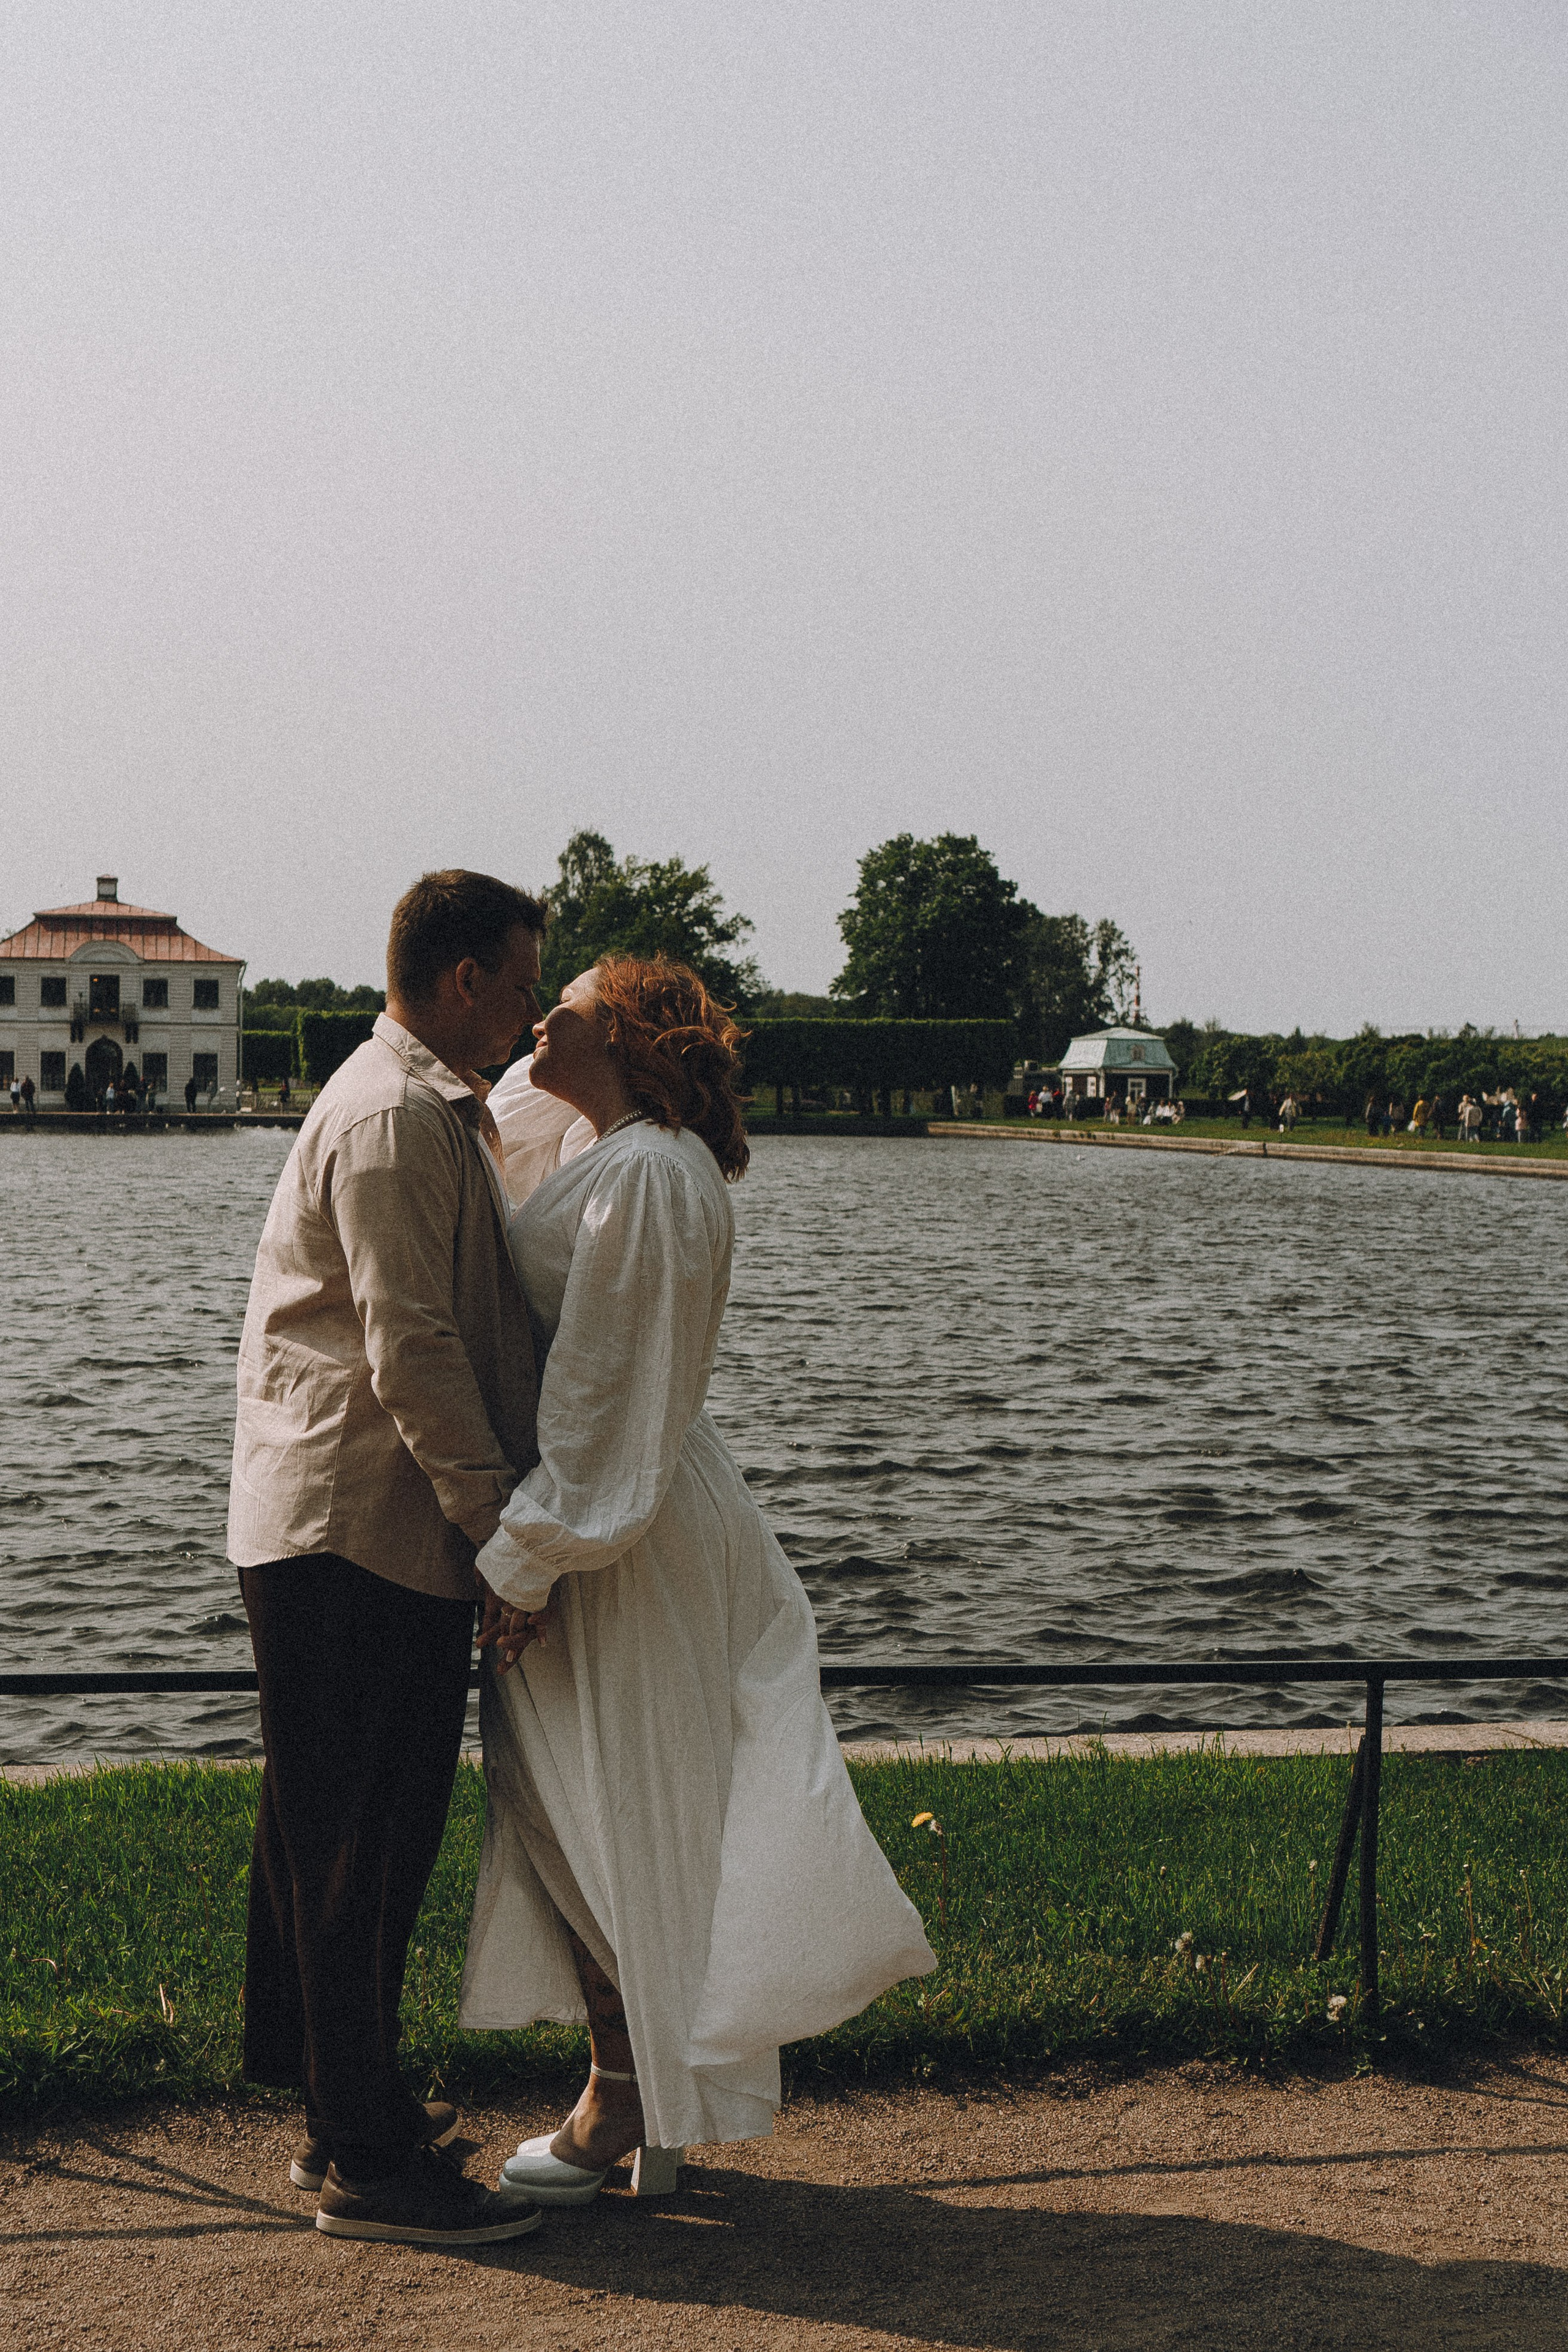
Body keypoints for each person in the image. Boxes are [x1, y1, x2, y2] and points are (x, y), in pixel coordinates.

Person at [463, 956, 935, 2208]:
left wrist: (528, 1560)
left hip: (626, 1533)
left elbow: (611, 1386)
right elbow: (493, 1120)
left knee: (613, 1806)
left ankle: (627, 2096)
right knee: (574, 1806)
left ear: (614, 1031)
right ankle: (635, 2085)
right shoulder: (600, 1147)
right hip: (611, 1520)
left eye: (560, 1001)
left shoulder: (653, 1177)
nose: (536, 1017)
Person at [227, 869, 550, 2250]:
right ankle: (364, 2158)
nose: (535, 1006)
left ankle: (338, 2116)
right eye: (525, 978)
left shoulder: (404, 1102)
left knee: (331, 1838)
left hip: (346, 1522)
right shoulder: (395, 1116)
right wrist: (499, 1530)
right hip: (361, 1527)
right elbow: (409, 1345)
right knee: (364, 1843)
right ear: (465, 978)